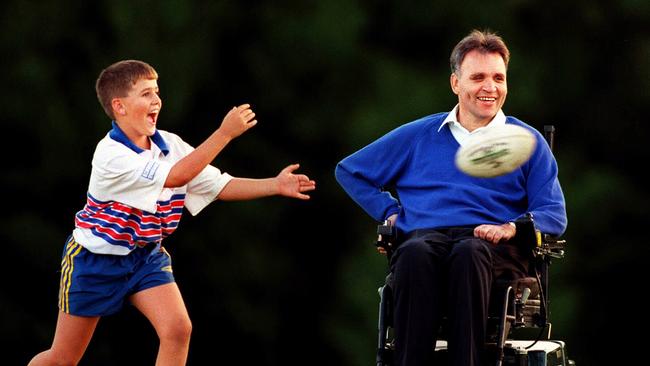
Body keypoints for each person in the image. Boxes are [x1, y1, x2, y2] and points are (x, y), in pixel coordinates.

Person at [29, 59, 316, 366]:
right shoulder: (110, 154)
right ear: (119, 106)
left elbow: (219, 185)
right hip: (95, 259)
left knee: (178, 329)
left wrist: (275, 184)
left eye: (157, 92)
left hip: (145, 256)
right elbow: (177, 177)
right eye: (146, 94)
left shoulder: (171, 145)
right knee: (62, 359)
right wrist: (224, 133)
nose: (156, 100)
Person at [335, 30, 566, 366]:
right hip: (425, 237)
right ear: (455, 83)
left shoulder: (526, 141)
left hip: (494, 246)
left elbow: (554, 213)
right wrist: (388, 210)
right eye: (478, 77)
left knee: (469, 252)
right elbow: (350, 170)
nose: (490, 87)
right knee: (414, 252)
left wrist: (512, 228)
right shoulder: (420, 135)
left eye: (498, 78)